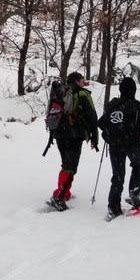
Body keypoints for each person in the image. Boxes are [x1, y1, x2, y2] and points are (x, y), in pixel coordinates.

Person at [98, 76, 140, 222]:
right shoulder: (138, 106)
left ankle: (113, 208)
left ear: (120, 90)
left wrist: (111, 134)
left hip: (115, 145)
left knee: (117, 176)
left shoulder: (111, 105)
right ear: (133, 90)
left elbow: (101, 123)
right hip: (134, 144)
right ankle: (134, 191)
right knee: (138, 166)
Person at [46, 71, 99, 211]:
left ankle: (63, 192)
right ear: (76, 81)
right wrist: (95, 137)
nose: (83, 82)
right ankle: (60, 197)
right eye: (81, 79)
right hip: (74, 134)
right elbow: (92, 116)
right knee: (71, 167)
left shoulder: (61, 92)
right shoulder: (82, 94)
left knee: (66, 163)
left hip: (58, 133)